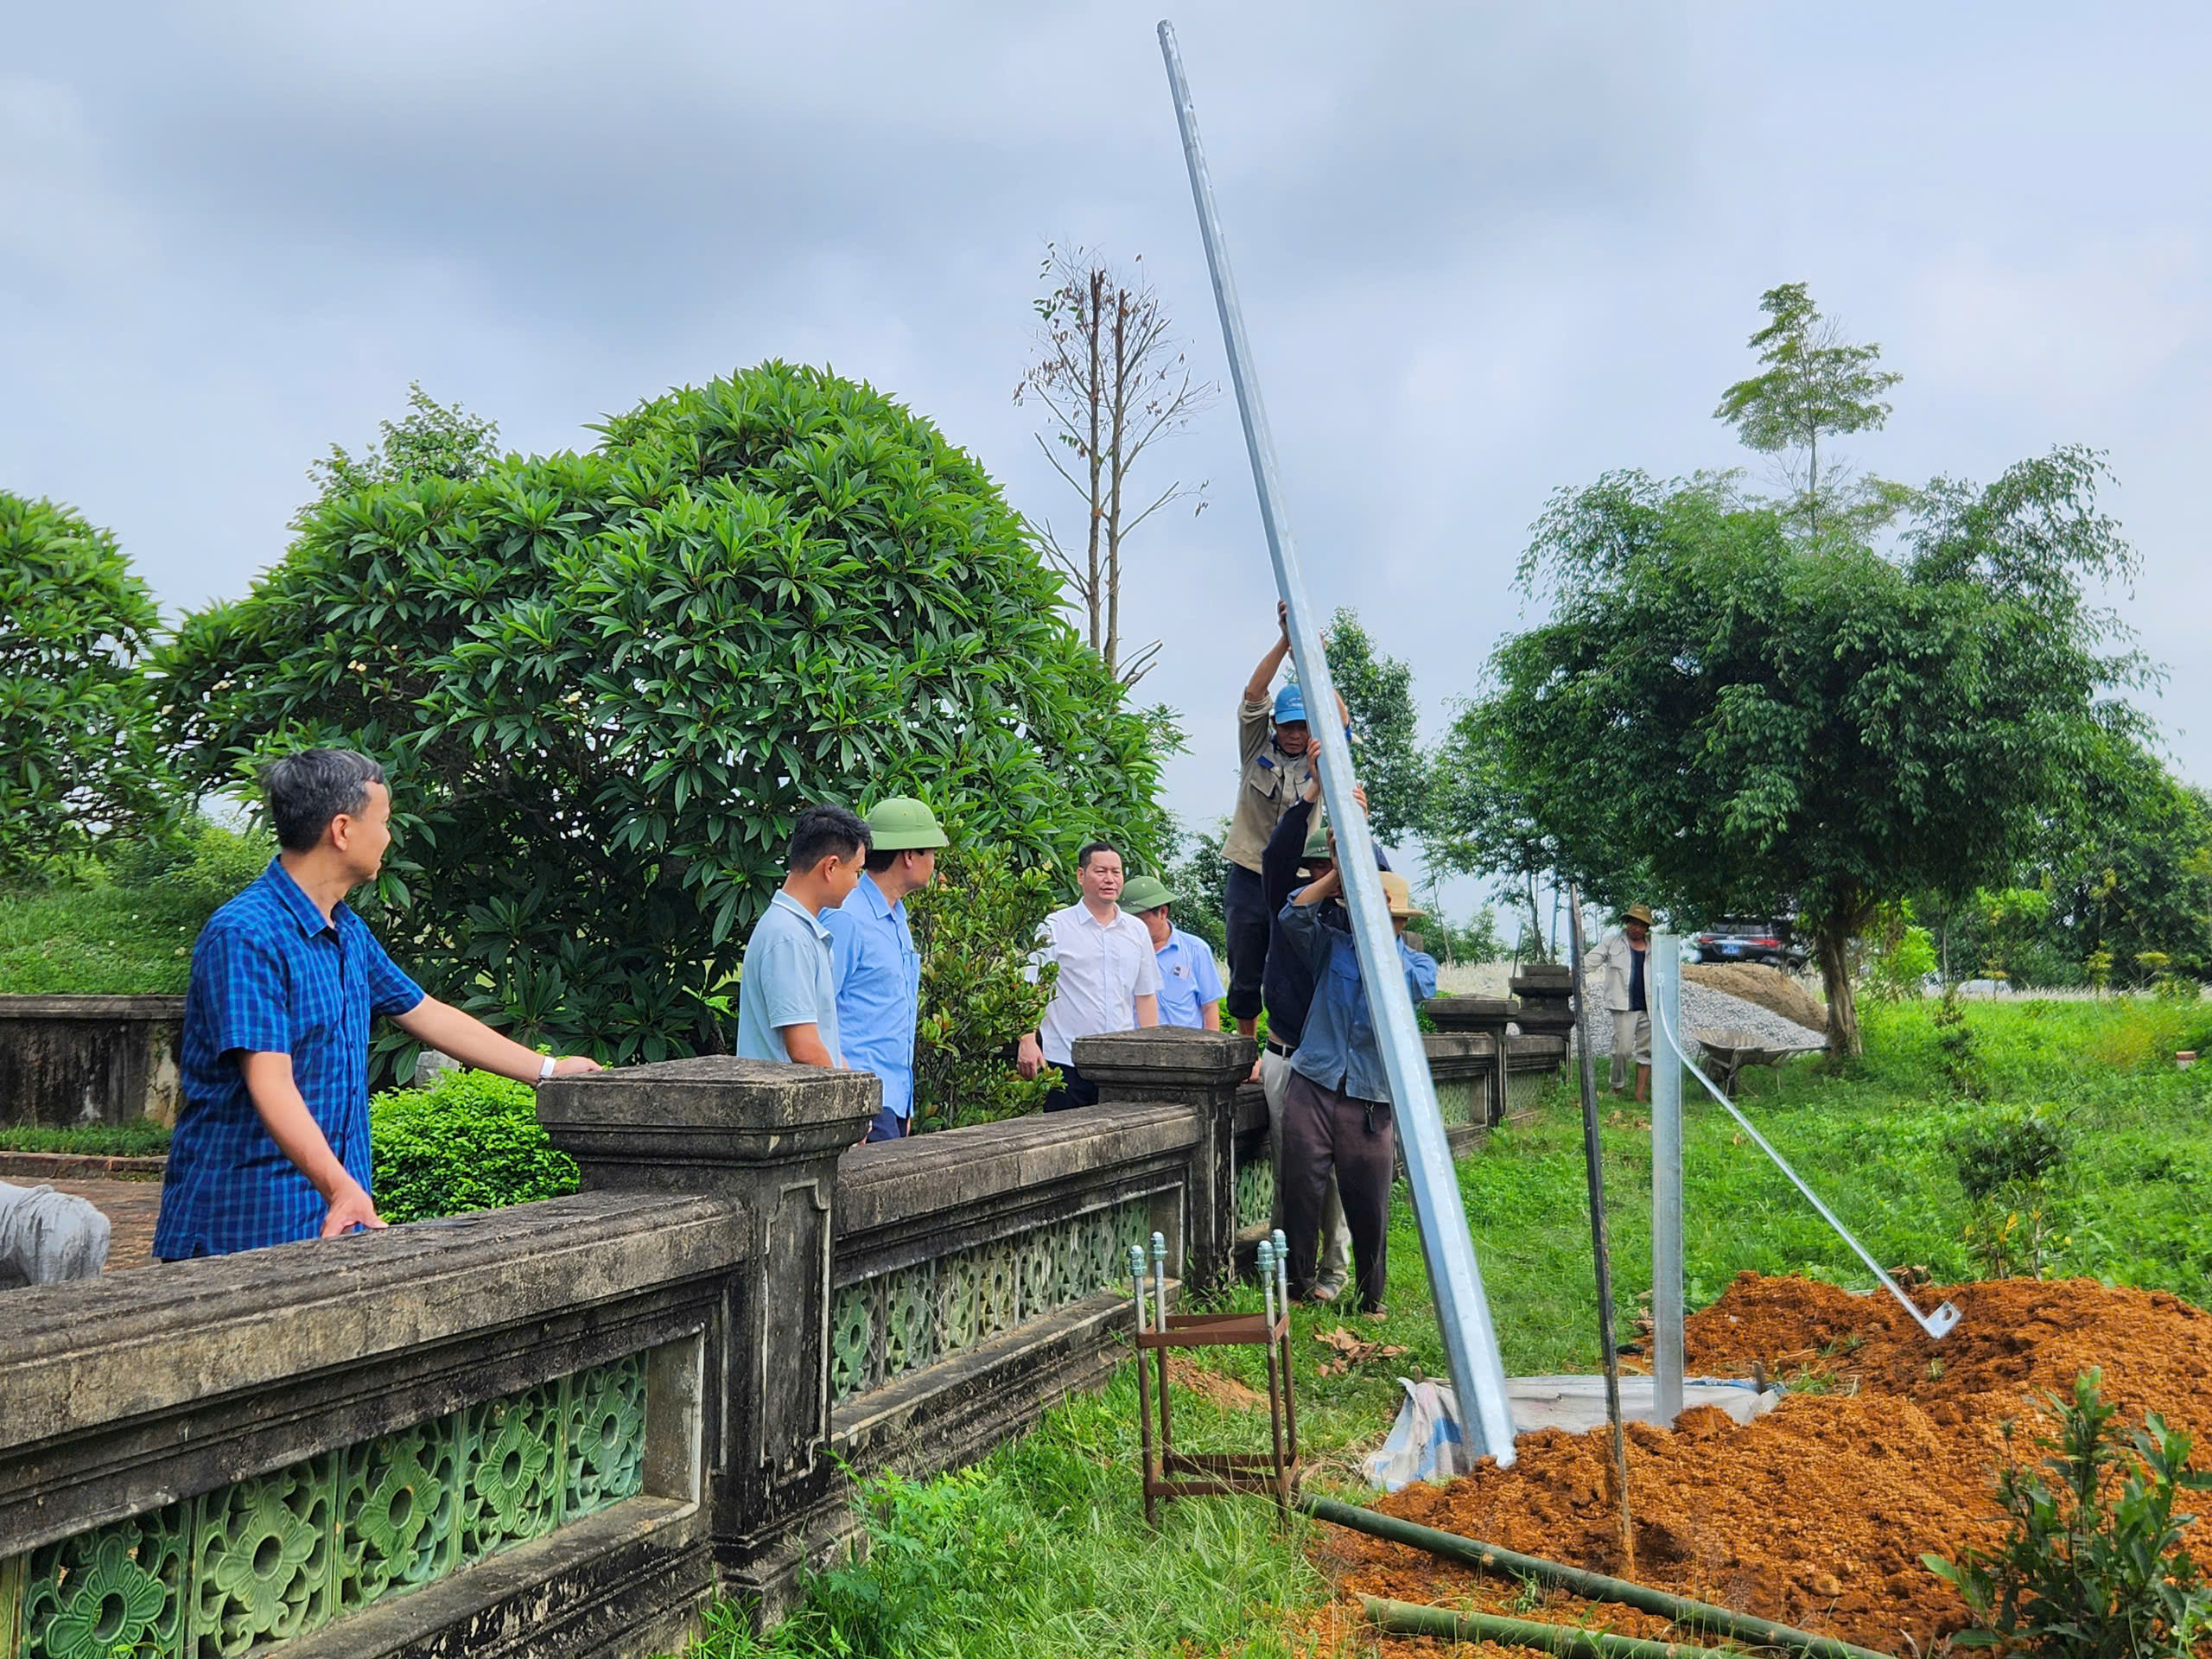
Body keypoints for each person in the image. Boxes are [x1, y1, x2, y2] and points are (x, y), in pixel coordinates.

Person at [154, 750, 601, 1260]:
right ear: (342, 830)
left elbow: (425, 1012)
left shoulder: (347, 930)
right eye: (384, 822)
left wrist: (548, 1069)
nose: (389, 838)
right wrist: (339, 1186)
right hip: (240, 1225)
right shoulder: (245, 935)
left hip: (332, 1218)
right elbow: (270, 1082)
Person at [1277, 855, 1438, 1317]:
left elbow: (1410, 989)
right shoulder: (1332, 946)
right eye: (1365, 912)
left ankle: (1371, 1298)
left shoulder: (1418, 964)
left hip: (1370, 1100)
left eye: (1384, 916)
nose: (1373, 923)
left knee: (1369, 1201)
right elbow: (1293, 914)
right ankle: (1298, 1285)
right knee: (1301, 1188)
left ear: (1400, 921)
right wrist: (1335, 878)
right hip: (1314, 1083)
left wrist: (1377, 939)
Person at [1256, 772, 1380, 1301]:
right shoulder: (1293, 912)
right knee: (1296, 1176)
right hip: (1291, 1061)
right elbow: (1278, 858)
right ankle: (1289, 1274)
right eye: (1316, 866)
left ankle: (1334, 1271)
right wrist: (1313, 792)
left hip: (1342, 1072)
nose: (1323, 872)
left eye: (1331, 863)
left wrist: (1359, 832)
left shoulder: (1360, 928)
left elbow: (1387, 892)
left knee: (1340, 1182)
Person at [1221, 602, 1319, 1045]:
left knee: (1295, 961)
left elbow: (1341, 722)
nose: (1296, 734)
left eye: (1303, 725)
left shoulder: (1323, 759)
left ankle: (1287, 1046)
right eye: (1289, 725)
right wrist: (1285, 639)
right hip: (1248, 872)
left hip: (1297, 878)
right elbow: (1253, 694)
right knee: (1245, 962)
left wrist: (1308, 657)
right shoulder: (1257, 745)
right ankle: (1245, 1047)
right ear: (1276, 725)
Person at [823, 798, 949, 1142]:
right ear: (909, 856)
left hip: (891, 1102)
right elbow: (819, 1010)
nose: (934, 863)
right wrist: (850, 1104)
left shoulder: (896, 917)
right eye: (930, 853)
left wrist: (901, 1103)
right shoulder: (847, 917)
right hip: (860, 1098)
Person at [1017, 842, 1160, 1111]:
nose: (1110, 879)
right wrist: (1027, 1041)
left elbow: (1145, 996)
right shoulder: (1055, 927)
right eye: (1101, 871)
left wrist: (1148, 1053)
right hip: (1065, 1062)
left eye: (1116, 872)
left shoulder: (1137, 931)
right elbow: (1031, 988)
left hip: (1121, 1064)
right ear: (1081, 875)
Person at [736, 805, 871, 1067]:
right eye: (857, 871)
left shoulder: (799, 931)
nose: (857, 883)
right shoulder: (789, 937)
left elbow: (824, 1042)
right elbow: (805, 1048)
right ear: (830, 867)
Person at [1119, 875, 1224, 1031]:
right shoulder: (1121, 951)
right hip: (1136, 1048)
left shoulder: (1195, 949)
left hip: (1187, 1048)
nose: (1134, 926)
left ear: (1163, 912)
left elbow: (1209, 1007)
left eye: (1140, 920)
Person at [1592, 903, 1656, 1101]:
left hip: (1649, 1006)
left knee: (1647, 1051)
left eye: (1640, 925)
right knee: (1622, 1049)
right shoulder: (1613, 943)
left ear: (1646, 928)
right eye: (1632, 923)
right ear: (1627, 923)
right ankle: (1617, 1087)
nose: (1636, 928)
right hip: (1624, 1005)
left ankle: (1640, 1094)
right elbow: (1592, 959)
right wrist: (1573, 971)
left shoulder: (1655, 947)